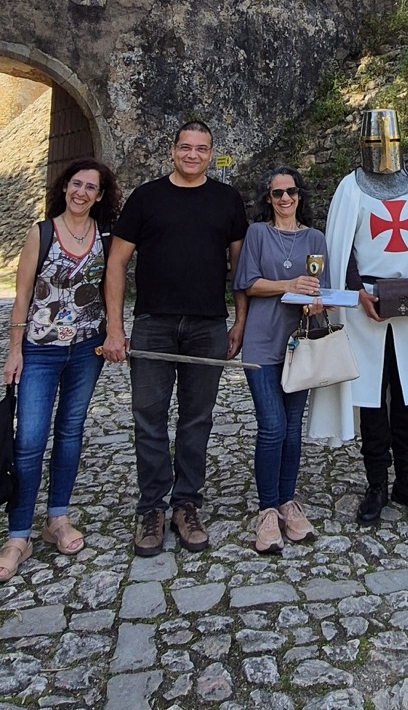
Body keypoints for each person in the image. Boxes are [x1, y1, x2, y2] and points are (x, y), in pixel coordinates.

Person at [102, 121, 248, 556]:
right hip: (154, 324)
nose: (192, 155)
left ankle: (186, 504)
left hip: (207, 325)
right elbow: (116, 263)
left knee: (197, 420)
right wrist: (115, 327)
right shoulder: (146, 197)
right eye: (186, 147)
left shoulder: (227, 200)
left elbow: (240, 269)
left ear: (211, 153)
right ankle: (151, 508)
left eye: (201, 149)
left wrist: (239, 322)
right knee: (148, 418)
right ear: (173, 150)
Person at [0, 158, 121, 583]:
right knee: (29, 440)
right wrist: (14, 351)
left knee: (70, 433)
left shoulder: (105, 237)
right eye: (76, 184)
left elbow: (111, 289)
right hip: (40, 350)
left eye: (90, 187)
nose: (81, 192)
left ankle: (58, 518)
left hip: (86, 350)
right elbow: (22, 295)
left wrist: (115, 332)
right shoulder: (41, 233)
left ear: (100, 196)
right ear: (65, 188)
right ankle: (18, 536)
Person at [326, 109, 408, 525]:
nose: (384, 149)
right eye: (376, 142)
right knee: (372, 399)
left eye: (388, 140)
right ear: (364, 143)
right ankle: (377, 484)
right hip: (366, 306)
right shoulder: (350, 188)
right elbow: (341, 248)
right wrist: (356, 290)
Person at [233, 166, 327, 554]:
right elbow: (247, 283)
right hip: (262, 341)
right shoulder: (257, 234)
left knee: (291, 429)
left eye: (291, 191)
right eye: (277, 193)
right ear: (268, 199)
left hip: (299, 344)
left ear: (300, 195)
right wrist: (288, 285)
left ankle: (288, 503)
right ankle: (267, 510)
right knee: (272, 426)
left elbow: (322, 288)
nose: (285, 198)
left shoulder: (315, 238)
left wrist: (316, 303)